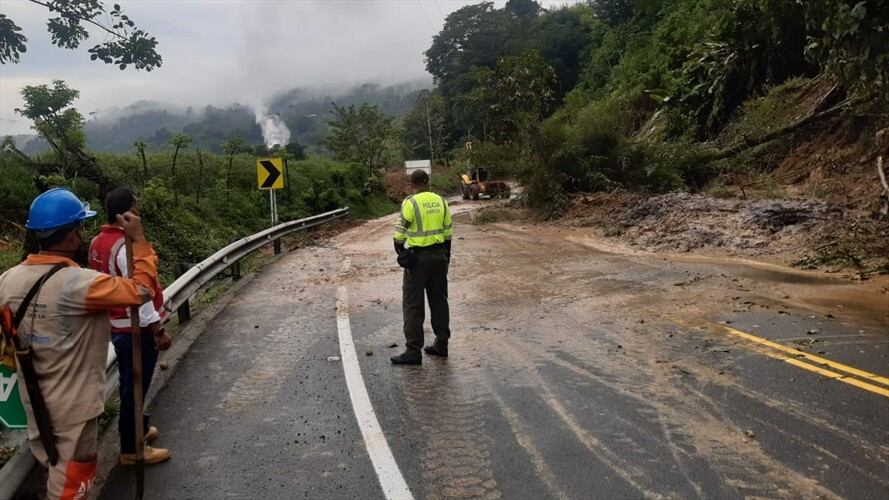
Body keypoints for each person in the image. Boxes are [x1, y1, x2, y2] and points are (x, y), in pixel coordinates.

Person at [0, 187, 159, 500]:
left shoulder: (8, 279)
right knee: (71, 485)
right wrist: (139, 241)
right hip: (73, 407)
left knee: (54, 470)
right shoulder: (81, 284)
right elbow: (141, 290)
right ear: (72, 235)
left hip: (34, 400)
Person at [89, 188, 171, 465]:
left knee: (130, 384)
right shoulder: (126, 247)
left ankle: (140, 430)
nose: (139, 211)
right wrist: (158, 330)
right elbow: (140, 296)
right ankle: (132, 449)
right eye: (135, 207)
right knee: (135, 389)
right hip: (136, 329)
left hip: (116, 326)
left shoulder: (97, 242)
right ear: (124, 215)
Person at [391, 169, 453, 365]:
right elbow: (448, 234)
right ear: (428, 182)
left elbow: (399, 235)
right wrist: (446, 258)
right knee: (439, 301)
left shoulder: (410, 203)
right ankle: (441, 344)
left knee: (413, 305)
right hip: (439, 257)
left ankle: (413, 351)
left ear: (412, 184)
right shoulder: (441, 201)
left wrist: (401, 254)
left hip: (417, 261)